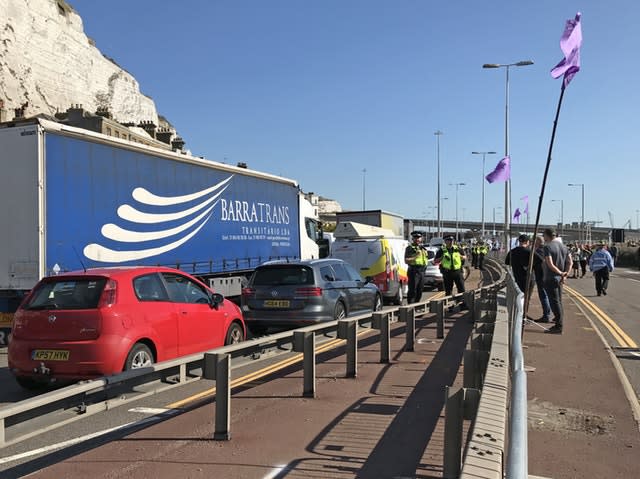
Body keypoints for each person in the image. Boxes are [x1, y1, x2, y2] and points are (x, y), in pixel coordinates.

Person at [542, 228, 571, 334]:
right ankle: (559, 322)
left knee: (554, 302)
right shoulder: (564, 247)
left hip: (551, 277)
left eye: (544, 235)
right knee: (558, 301)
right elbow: (570, 262)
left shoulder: (547, 247)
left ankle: (559, 326)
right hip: (560, 278)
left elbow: (549, 263)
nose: (543, 238)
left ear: (547, 235)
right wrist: (566, 273)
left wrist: (560, 272)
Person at [532, 236, 552, 323]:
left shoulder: (538, 251)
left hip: (541, 276)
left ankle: (546, 315)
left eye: (534, 241)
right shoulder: (548, 249)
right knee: (549, 296)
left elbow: (535, 263)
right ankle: (551, 315)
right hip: (549, 275)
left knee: (543, 296)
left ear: (538, 242)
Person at [404, 231, 428, 303]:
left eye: (418, 238)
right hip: (414, 271)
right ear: (412, 239)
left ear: (421, 239)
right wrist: (415, 256)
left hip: (422, 271)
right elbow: (406, 260)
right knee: (412, 290)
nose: (417, 239)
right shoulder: (409, 248)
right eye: (415, 238)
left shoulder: (423, 248)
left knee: (420, 290)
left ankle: (417, 306)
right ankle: (410, 307)